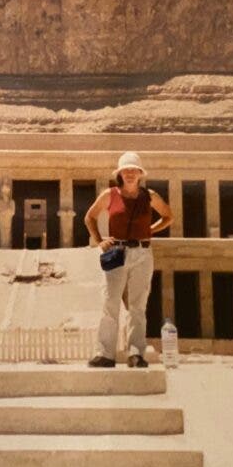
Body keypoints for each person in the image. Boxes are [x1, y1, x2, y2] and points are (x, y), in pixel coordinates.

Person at [85, 151, 173, 368]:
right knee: (110, 302)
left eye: (134, 170)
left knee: (138, 305)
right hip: (117, 251)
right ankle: (106, 354)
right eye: (127, 170)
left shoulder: (149, 196)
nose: (130, 174)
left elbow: (168, 216)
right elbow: (90, 217)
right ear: (120, 174)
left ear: (140, 174)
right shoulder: (110, 194)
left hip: (142, 253)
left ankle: (136, 353)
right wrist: (99, 240)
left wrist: (150, 229)